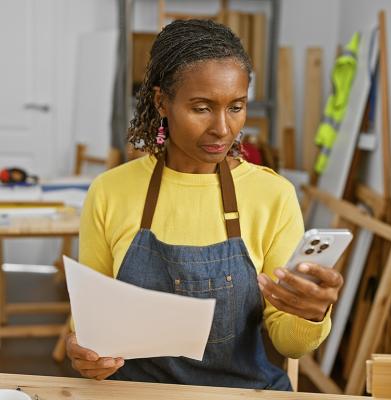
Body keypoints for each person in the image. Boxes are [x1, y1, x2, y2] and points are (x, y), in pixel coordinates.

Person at [66, 19, 343, 390]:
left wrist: (311, 314)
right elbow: (90, 321)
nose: (223, 128)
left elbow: (288, 343)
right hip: (135, 393)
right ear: (162, 102)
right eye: (201, 108)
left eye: (236, 107)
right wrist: (84, 351)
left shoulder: (271, 196)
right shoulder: (110, 191)